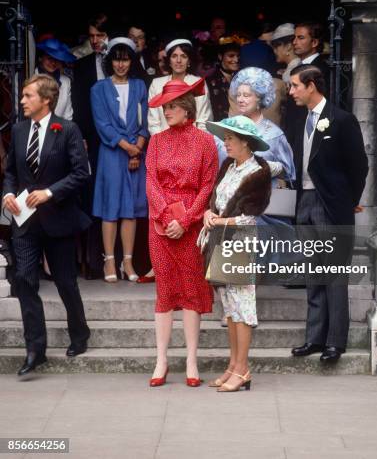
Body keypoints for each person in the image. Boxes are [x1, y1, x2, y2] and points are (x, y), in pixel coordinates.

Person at [3, 74, 91, 377]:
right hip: (25, 222)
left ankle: (80, 333)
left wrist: (50, 192)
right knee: (25, 280)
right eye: (23, 96)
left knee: (66, 282)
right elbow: (11, 171)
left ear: (46, 100)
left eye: (28, 96)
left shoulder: (67, 130)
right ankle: (35, 349)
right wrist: (8, 193)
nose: (23, 100)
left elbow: (81, 173)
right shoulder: (17, 130)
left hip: (59, 218)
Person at [289, 65, 368, 363]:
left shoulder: (342, 120)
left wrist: (348, 201)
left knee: (334, 274)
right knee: (313, 273)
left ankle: (335, 342)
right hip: (304, 202)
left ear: (311, 85)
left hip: (330, 204)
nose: (292, 91)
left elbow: (359, 166)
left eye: (296, 85)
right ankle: (314, 338)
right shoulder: (300, 121)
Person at [146, 77, 218, 387]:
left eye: (171, 106)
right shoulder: (156, 141)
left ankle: (191, 359)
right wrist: (164, 215)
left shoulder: (205, 141)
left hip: (191, 223)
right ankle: (161, 359)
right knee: (164, 291)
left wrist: (187, 219)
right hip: (160, 225)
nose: (166, 111)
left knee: (191, 290)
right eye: (164, 107)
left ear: (186, 108)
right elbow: (150, 181)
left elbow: (208, 184)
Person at [204, 116, 272, 391]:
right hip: (221, 242)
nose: (226, 142)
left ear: (246, 142)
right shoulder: (229, 166)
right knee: (230, 308)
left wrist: (221, 221)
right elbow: (216, 199)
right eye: (226, 137)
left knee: (243, 308)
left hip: (240, 245)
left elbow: (252, 217)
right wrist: (209, 212)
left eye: (230, 138)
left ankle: (243, 369)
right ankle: (233, 365)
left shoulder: (258, 173)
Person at [90, 37, 148, 283]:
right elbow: (102, 124)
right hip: (113, 153)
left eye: (125, 59)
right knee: (111, 208)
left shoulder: (139, 86)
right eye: (116, 59)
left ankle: (128, 261)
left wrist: (138, 149)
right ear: (109, 61)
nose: (121, 64)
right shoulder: (99, 89)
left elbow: (145, 122)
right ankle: (109, 261)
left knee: (131, 210)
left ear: (132, 61)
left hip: (137, 151)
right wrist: (128, 147)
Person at [71, 13, 114, 279]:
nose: (96, 41)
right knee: (91, 193)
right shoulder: (82, 64)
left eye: (100, 36)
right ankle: (91, 261)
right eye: (92, 36)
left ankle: (117, 258)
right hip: (92, 137)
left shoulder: (119, 61)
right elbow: (78, 102)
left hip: (118, 138)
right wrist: (82, 136)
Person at [225, 67, 295, 182]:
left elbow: (288, 173)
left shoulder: (275, 135)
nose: (240, 100)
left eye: (246, 95)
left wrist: (263, 167)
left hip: (264, 196)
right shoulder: (226, 129)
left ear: (260, 99)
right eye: (238, 95)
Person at [147, 38, 213, 135]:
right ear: (169, 60)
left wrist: (195, 147)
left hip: (194, 144)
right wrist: (165, 146)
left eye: (183, 56)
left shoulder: (198, 83)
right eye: (174, 56)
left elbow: (204, 121)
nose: (178, 60)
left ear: (189, 60)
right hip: (164, 144)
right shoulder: (156, 84)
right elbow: (154, 123)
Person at [35, 38, 76, 120]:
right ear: (40, 58)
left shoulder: (65, 82)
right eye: (49, 58)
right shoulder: (28, 77)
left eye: (57, 59)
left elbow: (68, 116)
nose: (53, 63)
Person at [205, 36, 240, 121]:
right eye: (231, 56)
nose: (236, 59)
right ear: (220, 57)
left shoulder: (242, 78)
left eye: (238, 56)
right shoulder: (210, 81)